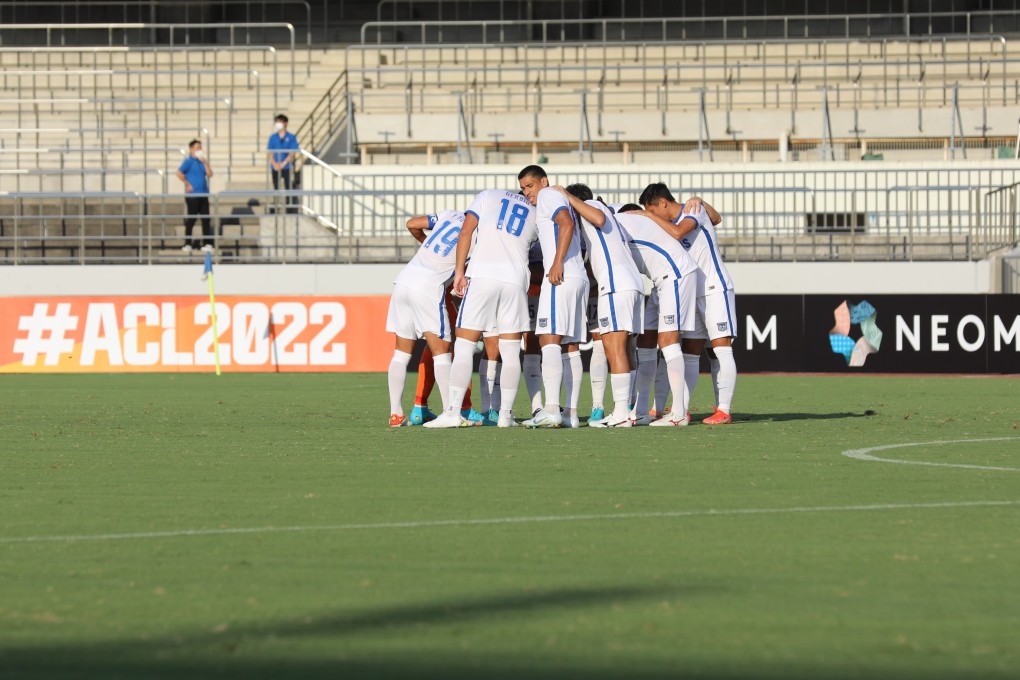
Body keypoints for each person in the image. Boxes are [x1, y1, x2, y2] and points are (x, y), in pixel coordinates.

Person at [424, 188, 538, 429]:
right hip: (516, 280)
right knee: (509, 352)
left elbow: (466, 230)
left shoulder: (489, 195)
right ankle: (506, 416)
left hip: (483, 275)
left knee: (465, 345)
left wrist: (459, 272)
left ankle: (453, 412)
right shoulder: (535, 211)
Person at [639, 184, 737, 425]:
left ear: (663, 203)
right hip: (692, 293)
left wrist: (699, 201)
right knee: (691, 353)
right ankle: (681, 408)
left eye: (652, 209)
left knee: (721, 349)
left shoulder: (691, 210)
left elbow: (682, 231)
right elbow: (716, 218)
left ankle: (723, 409)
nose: (651, 216)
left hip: (715, 288)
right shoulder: (673, 221)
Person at [558, 184, 646, 428]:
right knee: (625, 348)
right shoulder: (608, 214)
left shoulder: (594, 208)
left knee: (612, 347)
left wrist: (567, 196)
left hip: (616, 285)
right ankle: (627, 408)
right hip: (631, 284)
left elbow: (595, 215)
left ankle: (620, 413)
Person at [614, 205, 700, 427]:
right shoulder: (620, 219)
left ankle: (679, 413)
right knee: (646, 341)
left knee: (667, 342)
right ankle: (642, 410)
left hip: (675, 275)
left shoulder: (614, 220)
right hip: (659, 282)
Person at [517, 166, 589, 429]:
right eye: (524, 188)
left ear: (543, 181)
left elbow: (566, 223)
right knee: (570, 346)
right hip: (577, 276)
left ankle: (551, 410)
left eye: (530, 185)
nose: (527, 192)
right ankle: (570, 413)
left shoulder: (548, 195)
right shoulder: (555, 197)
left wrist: (557, 262)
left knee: (548, 339)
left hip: (561, 275)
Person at [386, 210, 471, 427]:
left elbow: (412, 223)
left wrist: (426, 244)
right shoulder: (478, 231)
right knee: (441, 351)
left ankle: (396, 414)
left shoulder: (449, 215)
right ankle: (448, 413)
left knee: (401, 352)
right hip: (428, 286)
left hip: (403, 281)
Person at [175, 139, 214, 253]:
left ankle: (207, 242)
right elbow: (179, 172)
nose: (199, 150)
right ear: (191, 149)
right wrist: (188, 184)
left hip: (203, 193)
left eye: (200, 148)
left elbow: (210, 174)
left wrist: (205, 162)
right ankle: (187, 243)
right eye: (197, 148)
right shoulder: (188, 161)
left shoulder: (201, 162)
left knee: (205, 219)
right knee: (191, 219)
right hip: (192, 195)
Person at [267, 114, 300, 211]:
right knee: (276, 186)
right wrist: (274, 164)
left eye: (280, 121)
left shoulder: (291, 137)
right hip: (275, 167)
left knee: (288, 186)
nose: (278, 124)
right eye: (277, 121)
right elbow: (270, 152)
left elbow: (293, 152)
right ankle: (276, 206)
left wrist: (284, 163)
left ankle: (289, 206)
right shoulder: (273, 137)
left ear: (285, 123)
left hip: (287, 167)